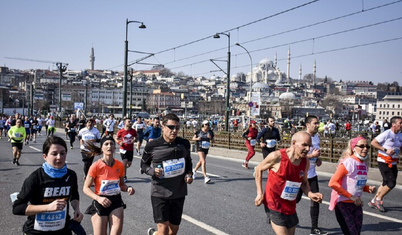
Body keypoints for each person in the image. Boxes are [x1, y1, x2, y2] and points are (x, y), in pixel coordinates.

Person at [254, 131, 323, 235]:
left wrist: (310, 194)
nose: (308, 149)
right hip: (274, 204)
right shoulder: (277, 157)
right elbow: (259, 169)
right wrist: (259, 193)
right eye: (304, 145)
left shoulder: (305, 162)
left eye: (309, 146)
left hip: (290, 206)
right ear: (294, 143)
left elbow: (304, 183)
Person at [12, 136, 84, 235]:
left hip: (62, 230)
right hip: (36, 231)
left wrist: (77, 209)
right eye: (54, 154)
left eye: (62, 153)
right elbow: (17, 208)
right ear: (45, 156)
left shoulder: (71, 175)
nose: (59, 157)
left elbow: (74, 194)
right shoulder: (35, 177)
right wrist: (48, 207)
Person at [141, 113, 193, 235]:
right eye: (171, 127)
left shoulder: (184, 144)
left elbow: (188, 162)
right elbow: (143, 166)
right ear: (163, 127)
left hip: (178, 192)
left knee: (173, 231)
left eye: (177, 128)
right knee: (163, 229)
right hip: (159, 192)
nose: (174, 131)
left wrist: (189, 174)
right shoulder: (152, 145)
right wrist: (153, 172)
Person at [83, 136, 135, 235]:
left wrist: (128, 188)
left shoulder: (119, 165)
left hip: (116, 201)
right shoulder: (96, 166)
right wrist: (98, 198)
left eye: (111, 144)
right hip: (101, 202)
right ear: (102, 148)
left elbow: (122, 185)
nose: (109, 146)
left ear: (115, 147)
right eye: (106, 144)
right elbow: (86, 188)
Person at [328, 136, 375, 235]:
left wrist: (367, 188)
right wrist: (351, 196)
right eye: (362, 146)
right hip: (343, 204)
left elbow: (356, 183)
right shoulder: (348, 162)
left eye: (367, 146)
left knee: (356, 233)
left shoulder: (364, 164)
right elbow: (332, 182)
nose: (365, 149)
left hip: (356, 204)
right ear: (353, 148)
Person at [295, 116, 327, 235]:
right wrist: (311, 156)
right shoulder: (301, 137)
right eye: (315, 123)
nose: (318, 125)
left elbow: (314, 153)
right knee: (295, 199)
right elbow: (296, 155)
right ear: (308, 125)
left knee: (316, 199)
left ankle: (314, 228)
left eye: (318, 123)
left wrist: (317, 160)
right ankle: (281, 215)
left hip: (312, 174)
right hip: (300, 174)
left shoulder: (316, 137)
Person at [368, 116, 402, 212]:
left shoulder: (400, 135)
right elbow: (373, 142)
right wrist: (385, 150)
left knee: (386, 183)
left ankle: (374, 200)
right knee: (391, 183)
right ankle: (378, 200)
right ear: (394, 124)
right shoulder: (387, 133)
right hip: (384, 161)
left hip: (394, 161)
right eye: (400, 123)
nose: (401, 125)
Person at [115, 118, 137, 182]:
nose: (130, 123)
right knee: (125, 161)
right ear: (125, 123)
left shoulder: (133, 131)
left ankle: (122, 169)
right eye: (129, 121)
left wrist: (134, 140)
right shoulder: (121, 131)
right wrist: (119, 142)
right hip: (123, 149)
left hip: (130, 149)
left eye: (131, 122)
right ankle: (124, 176)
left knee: (128, 164)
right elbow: (116, 138)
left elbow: (136, 136)